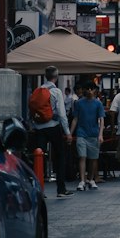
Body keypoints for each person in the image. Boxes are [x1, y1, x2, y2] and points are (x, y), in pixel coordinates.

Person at [30, 65, 72, 199]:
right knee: (59, 156)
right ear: (56, 76)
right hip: (53, 127)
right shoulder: (56, 92)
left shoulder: (38, 90)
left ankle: (39, 189)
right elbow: (61, 114)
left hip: (39, 128)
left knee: (39, 157)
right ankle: (61, 188)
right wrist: (67, 132)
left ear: (45, 76)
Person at [71, 83, 106, 188]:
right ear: (84, 90)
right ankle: (82, 180)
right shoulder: (79, 103)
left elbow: (101, 119)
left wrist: (100, 134)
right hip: (81, 134)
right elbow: (75, 119)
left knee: (93, 159)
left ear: (95, 90)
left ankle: (90, 179)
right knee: (82, 156)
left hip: (94, 134)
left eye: (92, 89)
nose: (90, 91)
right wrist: (70, 133)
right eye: (88, 88)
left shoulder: (98, 104)